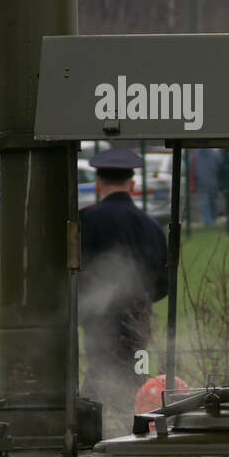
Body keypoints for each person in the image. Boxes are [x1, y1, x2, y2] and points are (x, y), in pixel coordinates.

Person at [78, 147, 169, 433]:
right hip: (138, 317)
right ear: (132, 185)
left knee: (100, 373)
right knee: (132, 373)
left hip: (97, 317)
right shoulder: (151, 226)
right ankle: (131, 428)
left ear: (97, 185)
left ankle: (93, 432)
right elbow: (163, 283)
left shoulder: (85, 221)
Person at [194, 147, 222, 227]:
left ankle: (209, 222)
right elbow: (221, 167)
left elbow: (191, 168)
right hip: (214, 183)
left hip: (201, 183)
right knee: (212, 202)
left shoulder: (195, 156)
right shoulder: (216, 155)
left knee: (205, 203)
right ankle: (211, 221)